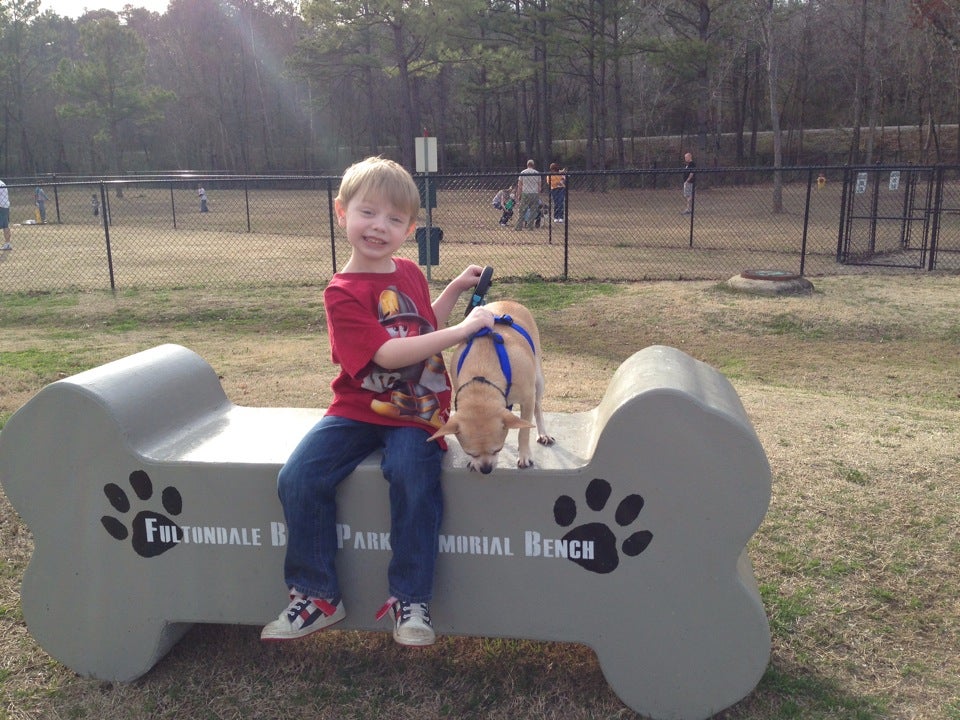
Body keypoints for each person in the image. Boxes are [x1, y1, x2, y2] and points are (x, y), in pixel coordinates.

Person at [260, 156, 495, 647]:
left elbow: (419, 326)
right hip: (356, 408)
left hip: (417, 409)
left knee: (411, 472)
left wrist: (453, 289)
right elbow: (387, 353)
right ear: (341, 212)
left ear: (409, 228)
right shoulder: (342, 293)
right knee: (298, 475)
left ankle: (411, 600)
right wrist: (463, 331)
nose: (379, 227)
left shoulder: (408, 271)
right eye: (369, 213)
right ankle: (317, 594)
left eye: (394, 219)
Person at [515, 159, 541, 230]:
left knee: (522, 210)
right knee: (533, 211)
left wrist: (518, 195)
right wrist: (538, 195)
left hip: (525, 193)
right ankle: (530, 226)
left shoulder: (523, 172)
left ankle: (519, 226)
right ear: (533, 165)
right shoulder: (537, 173)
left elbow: (520, 185)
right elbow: (539, 186)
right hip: (534, 193)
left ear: (527, 165)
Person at [0, 179, 10, 250]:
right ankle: (7, 244)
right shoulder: (2, 183)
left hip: (1, 206)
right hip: (5, 206)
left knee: (5, 226)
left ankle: (7, 244)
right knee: (5, 226)